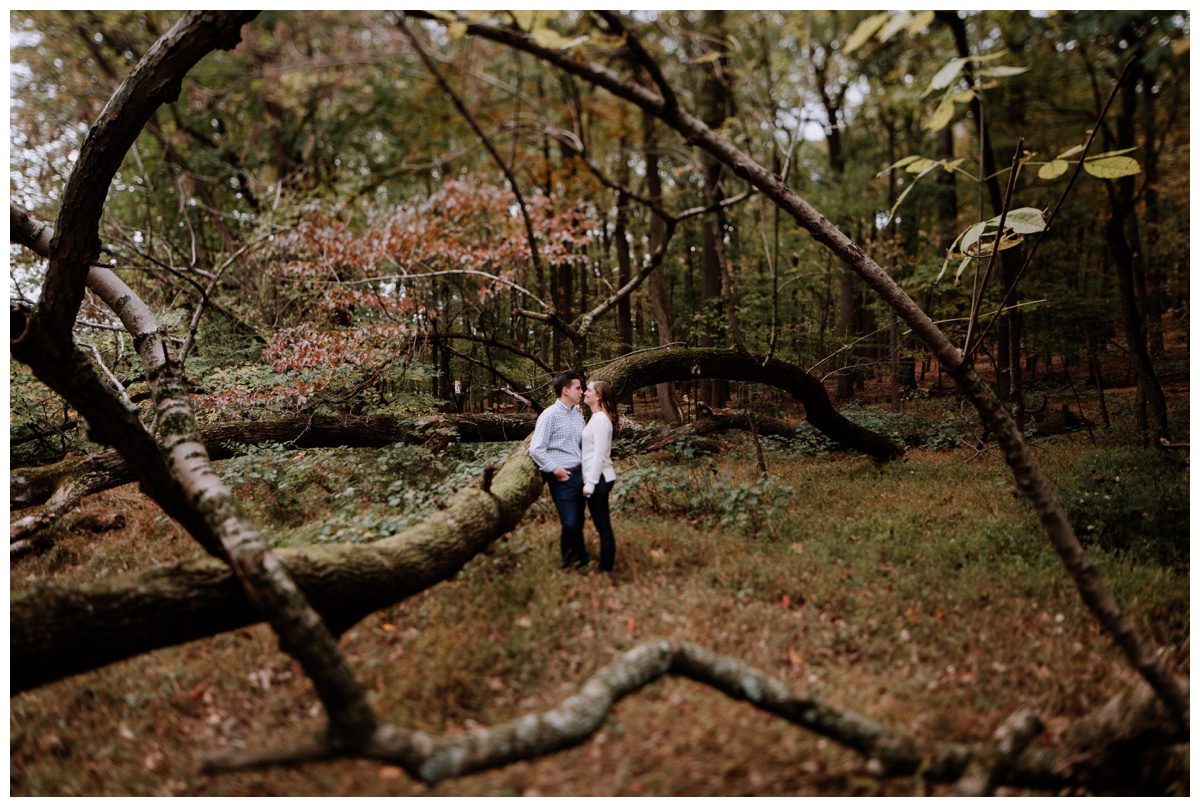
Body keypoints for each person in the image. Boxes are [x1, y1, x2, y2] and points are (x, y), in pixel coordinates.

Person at [529, 371, 587, 569]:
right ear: (565, 390)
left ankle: (580, 560)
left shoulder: (578, 415)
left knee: (578, 522)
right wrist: (555, 470)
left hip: (580, 474)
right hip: (562, 477)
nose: (582, 391)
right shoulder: (549, 415)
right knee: (569, 522)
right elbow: (536, 448)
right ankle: (568, 562)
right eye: (578, 388)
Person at [582, 379, 619, 573]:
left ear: (598, 396)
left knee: (603, 524)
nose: (585, 393)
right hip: (598, 477)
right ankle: (605, 565)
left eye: (588, 390)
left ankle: (606, 569)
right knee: (600, 522)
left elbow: (599, 454)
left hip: (600, 478)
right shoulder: (595, 418)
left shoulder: (602, 420)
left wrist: (591, 483)